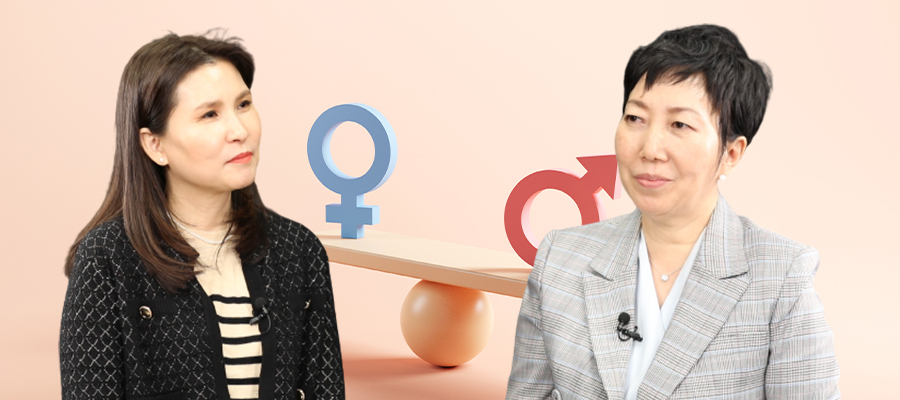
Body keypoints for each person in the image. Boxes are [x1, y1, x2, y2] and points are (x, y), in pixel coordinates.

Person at [506, 24, 839, 399]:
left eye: (679, 124)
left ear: (731, 153)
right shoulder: (559, 259)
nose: (650, 149)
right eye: (635, 118)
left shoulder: (781, 278)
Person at [59, 31, 344, 400]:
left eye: (244, 104)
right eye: (210, 114)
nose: (239, 131)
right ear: (155, 145)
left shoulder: (299, 250)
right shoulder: (106, 258)